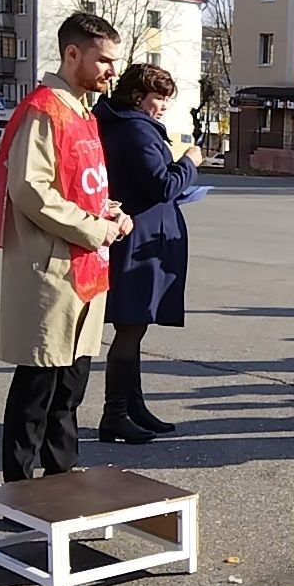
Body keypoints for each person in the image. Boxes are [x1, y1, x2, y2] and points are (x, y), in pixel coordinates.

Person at [0, 14, 133, 482]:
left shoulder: (83, 110)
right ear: (73, 54)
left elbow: (80, 184)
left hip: (83, 268)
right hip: (52, 268)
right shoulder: (45, 109)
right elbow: (31, 189)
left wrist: (111, 211)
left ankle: (63, 483)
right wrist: (92, 227)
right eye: (104, 60)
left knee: (70, 387)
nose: (113, 70)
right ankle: (21, 492)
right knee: (38, 387)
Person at [92, 63, 202, 445]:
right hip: (138, 242)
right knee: (131, 324)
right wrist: (189, 163)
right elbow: (161, 185)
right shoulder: (136, 130)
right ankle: (115, 413)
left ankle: (133, 407)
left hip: (137, 235)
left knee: (133, 326)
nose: (163, 107)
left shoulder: (121, 124)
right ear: (138, 97)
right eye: (159, 99)